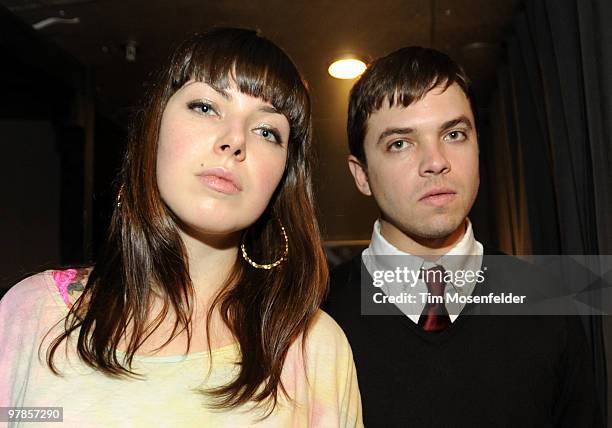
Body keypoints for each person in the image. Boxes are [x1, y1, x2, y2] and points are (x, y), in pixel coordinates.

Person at [0, 28, 362, 427]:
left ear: (282, 179)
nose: (234, 140)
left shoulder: (313, 349)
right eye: (206, 107)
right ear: (154, 129)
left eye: (266, 131)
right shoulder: (30, 315)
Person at [323, 46, 602, 427]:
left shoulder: (550, 304)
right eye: (400, 143)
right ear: (361, 175)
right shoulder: (316, 315)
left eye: (454, 134)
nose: (436, 161)